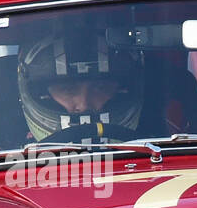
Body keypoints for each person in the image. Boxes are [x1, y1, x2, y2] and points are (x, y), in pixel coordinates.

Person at [17, 30, 152, 144]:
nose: (84, 105)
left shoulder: (166, 144)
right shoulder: (4, 159)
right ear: (41, 94)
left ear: (122, 90)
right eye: (68, 90)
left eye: (100, 88)